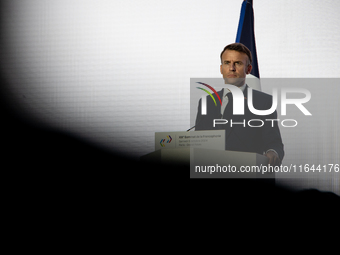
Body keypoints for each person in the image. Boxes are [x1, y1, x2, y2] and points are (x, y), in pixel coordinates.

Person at [195, 43, 284, 166]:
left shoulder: (264, 102)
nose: (231, 68)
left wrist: (272, 153)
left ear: (248, 69)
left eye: (238, 63)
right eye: (227, 63)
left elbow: (274, 142)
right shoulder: (207, 102)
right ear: (221, 69)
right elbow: (199, 141)